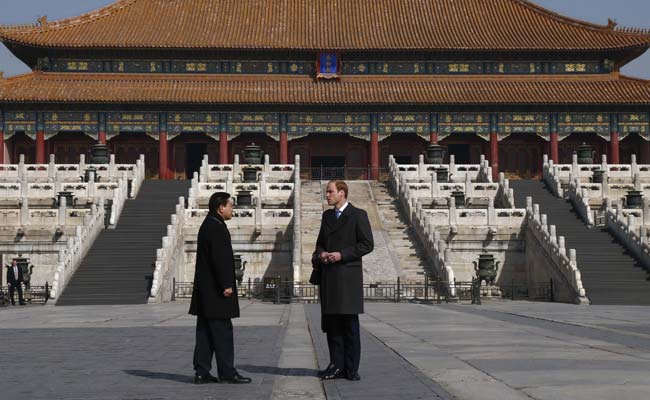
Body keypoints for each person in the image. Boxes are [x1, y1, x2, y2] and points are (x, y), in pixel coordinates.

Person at [312, 180, 374, 381]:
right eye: (326, 192)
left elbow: (367, 244)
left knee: (349, 326)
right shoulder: (327, 215)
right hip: (329, 277)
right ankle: (335, 365)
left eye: (330, 192)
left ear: (342, 193)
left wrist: (342, 255)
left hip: (347, 278)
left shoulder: (358, 215)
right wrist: (321, 254)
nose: (327, 195)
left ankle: (351, 368)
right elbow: (320, 243)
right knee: (332, 326)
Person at [189, 192, 251, 385]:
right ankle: (227, 372)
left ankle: (202, 371)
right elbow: (220, 259)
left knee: (205, 333)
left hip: (206, 291)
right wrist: (226, 284)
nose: (232, 209)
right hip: (217, 291)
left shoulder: (208, 224)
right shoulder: (216, 227)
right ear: (220, 208)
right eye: (230, 206)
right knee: (222, 332)